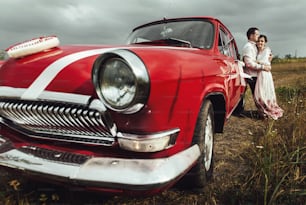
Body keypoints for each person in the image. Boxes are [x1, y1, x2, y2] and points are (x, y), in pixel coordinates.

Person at [242, 27, 271, 118]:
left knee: (261, 95)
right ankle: (262, 114)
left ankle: (263, 113)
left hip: (256, 75)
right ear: (251, 36)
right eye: (257, 34)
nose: (258, 36)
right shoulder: (248, 47)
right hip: (252, 75)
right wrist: (263, 67)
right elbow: (249, 63)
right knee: (257, 96)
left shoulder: (254, 46)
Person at [254, 35, 283, 120]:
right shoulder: (257, 51)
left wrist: (257, 62)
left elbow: (266, 63)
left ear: (265, 42)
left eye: (262, 41)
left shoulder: (267, 50)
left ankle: (268, 111)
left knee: (265, 93)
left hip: (265, 74)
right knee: (259, 94)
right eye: (258, 41)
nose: (260, 43)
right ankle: (263, 111)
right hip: (260, 74)